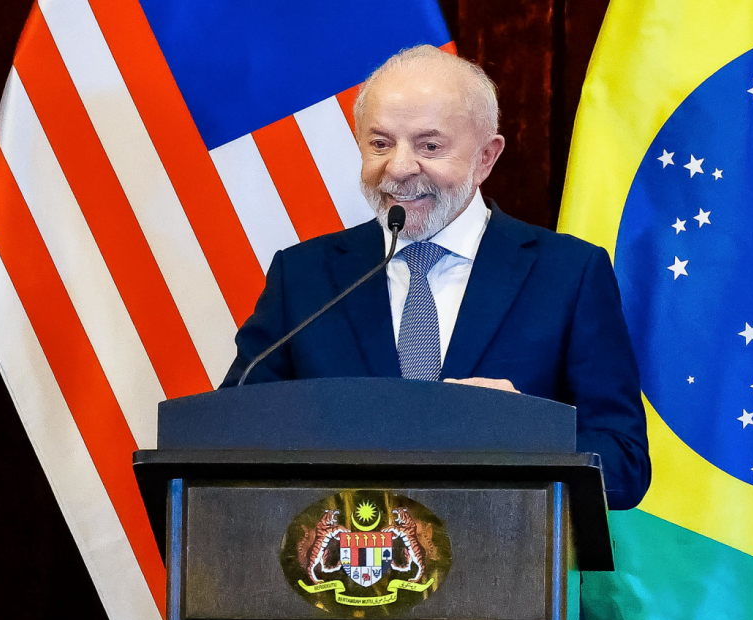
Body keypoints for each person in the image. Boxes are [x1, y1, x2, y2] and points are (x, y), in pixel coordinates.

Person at [221, 45, 651, 509]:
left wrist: (524, 432)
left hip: (501, 549)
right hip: (340, 549)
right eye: (380, 144)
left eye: (429, 146)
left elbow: (625, 466)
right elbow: (229, 435)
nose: (399, 167)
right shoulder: (304, 276)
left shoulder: (569, 273)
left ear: (486, 157)